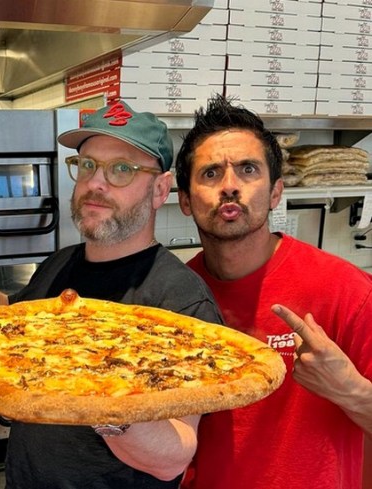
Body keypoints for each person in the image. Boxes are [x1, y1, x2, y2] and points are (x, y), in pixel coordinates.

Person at [0, 100, 223, 488]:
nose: (96, 183)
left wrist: (104, 399)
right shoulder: (62, 263)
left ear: (159, 189)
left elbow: (173, 458)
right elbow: (20, 326)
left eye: (121, 170)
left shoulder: (178, 300)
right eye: (88, 165)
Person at [175, 94, 372, 489]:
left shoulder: (346, 290)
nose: (230, 186)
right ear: (184, 199)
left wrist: (350, 391)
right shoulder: (175, 299)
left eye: (248, 169)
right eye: (211, 173)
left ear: (276, 191)